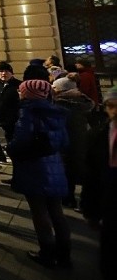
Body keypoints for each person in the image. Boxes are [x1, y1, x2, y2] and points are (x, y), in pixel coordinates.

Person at [7, 79, 72, 269]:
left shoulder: (27, 112)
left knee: (39, 211)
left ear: (28, 94)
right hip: (55, 166)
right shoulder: (57, 111)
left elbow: (20, 142)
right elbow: (65, 142)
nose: (19, 93)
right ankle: (65, 254)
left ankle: (47, 253)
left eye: (22, 91)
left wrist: (11, 149)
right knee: (57, 212)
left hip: (34, 167)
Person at [80, 86, 117, 280]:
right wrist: (91, 210)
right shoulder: (101, 135)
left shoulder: (101, 135)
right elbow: (92, 174)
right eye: (111, 106)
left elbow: (92, 174)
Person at [52, 76, 94, 208]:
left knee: (67, 171)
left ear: (62, 90)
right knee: (80, 171)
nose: (52, 89)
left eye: (55, 87)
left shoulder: (62, 105)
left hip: (67, 142)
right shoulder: (82, 102)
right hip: (82, 141)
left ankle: (69, 198)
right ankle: (84, 200)